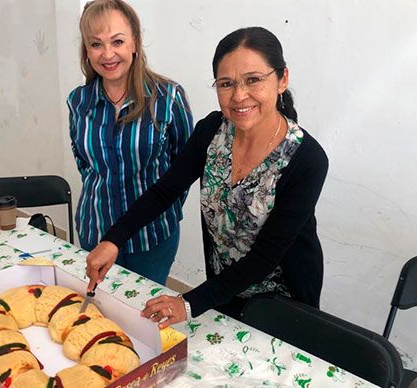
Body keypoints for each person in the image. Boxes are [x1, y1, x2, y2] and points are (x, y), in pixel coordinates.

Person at [86, 27, 329, 328]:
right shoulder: (212, 131)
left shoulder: (307, 159)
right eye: (226, 84)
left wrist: (188, 303)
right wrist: (114, 238)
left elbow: (265, 257)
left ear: (282, 80)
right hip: (223, 291)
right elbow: (166, 191)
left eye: (253, 79)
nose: (239, 96)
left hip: (282, 304)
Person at [68, 0, 194, 285]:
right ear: (86, 51)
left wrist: (165, 209)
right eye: (96, 44)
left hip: (152, 236)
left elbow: (182, 171)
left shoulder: (168, 98)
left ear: (135, 43)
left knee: (142, 318)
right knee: (102, 313)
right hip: (95, 229)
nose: (108, 54)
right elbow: (84, 164)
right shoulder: (78, 101)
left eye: (118, 41)